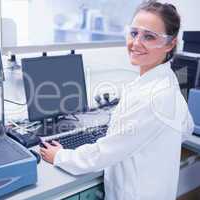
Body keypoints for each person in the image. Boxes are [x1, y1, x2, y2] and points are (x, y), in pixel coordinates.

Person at [39, 1, 195, 200]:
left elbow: (102, 154)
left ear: (170, 43)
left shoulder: (153, 97)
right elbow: (186, 127)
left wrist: (60, 156)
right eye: (134, 33)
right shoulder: (168, 80)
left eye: (149, 36)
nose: (136, 43)